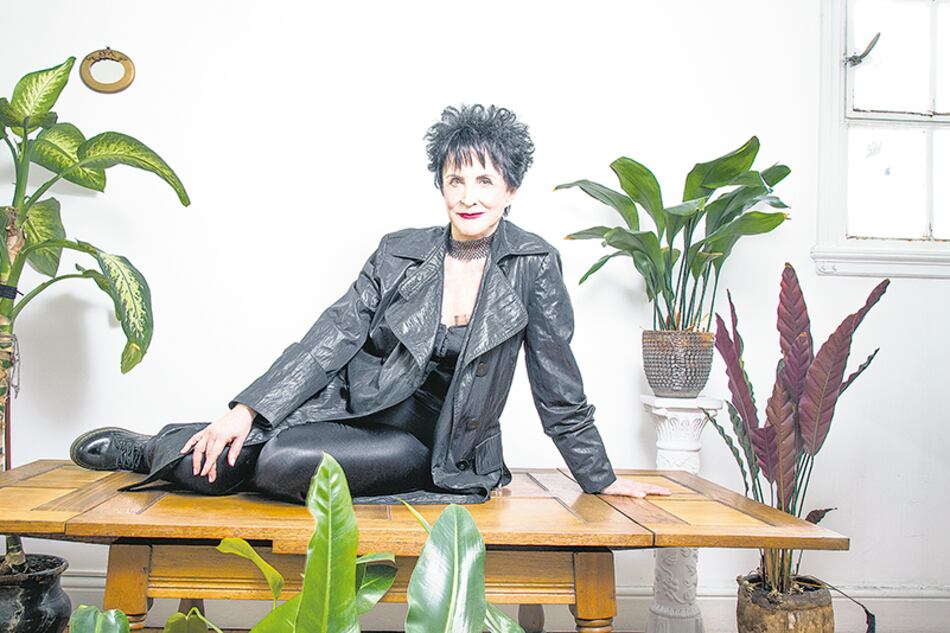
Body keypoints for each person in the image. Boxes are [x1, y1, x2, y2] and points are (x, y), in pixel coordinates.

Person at [70, 104, 670, 504]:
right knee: (238, 450)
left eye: (485, 181)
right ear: (441, 185)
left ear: (511, 189)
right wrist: (246, 410)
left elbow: (557, 382)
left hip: (432, 444)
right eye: (456, 180)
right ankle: (150, 448)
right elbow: (329, 338)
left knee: (282, 463)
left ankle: (172, 448)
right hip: (354, 408)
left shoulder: (532, 264)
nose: (469, 196)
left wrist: (600, 478)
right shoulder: (399, 251)